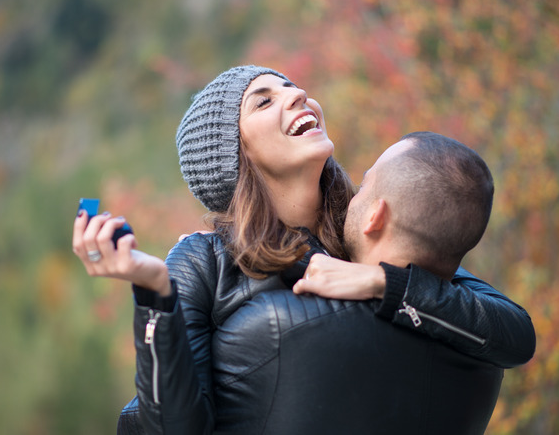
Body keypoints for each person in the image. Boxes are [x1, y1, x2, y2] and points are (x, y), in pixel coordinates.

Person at [72, 66, 535, 434]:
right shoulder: (203, 264)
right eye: (264, 101)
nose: (297, 95)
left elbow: (512, 335)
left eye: (291, 86)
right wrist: (154, 291)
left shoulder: (374, 229)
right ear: (238, 154)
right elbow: (175, 428)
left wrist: (383, 281)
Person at [212, 131, 523, 434]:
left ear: (375, 216)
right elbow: (520, 334)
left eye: (363, 186)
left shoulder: (277, 325)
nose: (352, 195)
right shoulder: (483, 350)